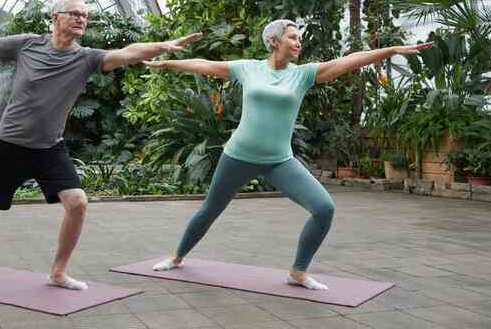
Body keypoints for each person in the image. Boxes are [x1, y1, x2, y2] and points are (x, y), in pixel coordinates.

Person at [0, 0, 201, 290]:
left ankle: (58, 272)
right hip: (9, 144)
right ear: (55, 17)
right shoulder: (27, 44)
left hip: (49, 148)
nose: (80, 19)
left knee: (78, 203)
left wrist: (163, 46)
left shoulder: (87, 58)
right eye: (74, 13)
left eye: (84, 16)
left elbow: (129, 52)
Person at [144, 19, 433, 290]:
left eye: (300, 38)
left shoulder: (303, 74)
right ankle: (178, 256)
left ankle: (298, 272)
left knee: (324, 208)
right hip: (237, 155)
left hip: (279, 160)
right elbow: (204, 65)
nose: (298, 43)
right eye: (293, 37)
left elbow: (348, 61)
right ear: (273, 41)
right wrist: (168, 62)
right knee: (210, 210)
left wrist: (391, 49)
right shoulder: (248, 68)